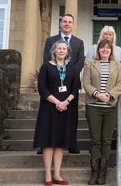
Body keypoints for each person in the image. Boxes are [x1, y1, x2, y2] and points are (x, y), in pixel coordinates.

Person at [33, 40, 79, 186]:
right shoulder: (46, 67)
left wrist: (65, 102)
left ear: (67, 52)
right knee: (48, 141)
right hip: (49, 108)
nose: (61, 51)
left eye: (64, 48)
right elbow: (42, 88)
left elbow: (75, 88)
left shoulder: (72, 68)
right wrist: (57, 102)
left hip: (66, 108)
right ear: (54, 51)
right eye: (58, 48)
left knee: (60, 142)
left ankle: (57, 174)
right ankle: (48, 174)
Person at [82, 39, 121, 185]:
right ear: (98, 50)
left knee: (106, 140)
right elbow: (86, 83)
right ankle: (94, 173)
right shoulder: (90, 64)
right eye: (102, 48)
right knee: (95, 140)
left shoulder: (118, 65)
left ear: (111, 50)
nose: (105, 50)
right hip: (93, 106)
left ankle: (103, 174)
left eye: (108, 48)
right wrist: (97, 94)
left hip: (110, 108)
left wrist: (110, 94)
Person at [41, 14, 85, 154]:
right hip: (53, 83)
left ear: (73, 24)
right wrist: (58, 72)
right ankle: (45, 144)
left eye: (70, 22)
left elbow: (80, 62)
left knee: (71, 117)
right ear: (61, 23)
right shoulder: (51, 40)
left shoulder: (79, 42)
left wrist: (69, 73)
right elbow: (47, 59)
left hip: (71, 85)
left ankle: (71, 143)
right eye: (64, 21)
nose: (67, 24)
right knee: (49, 117)